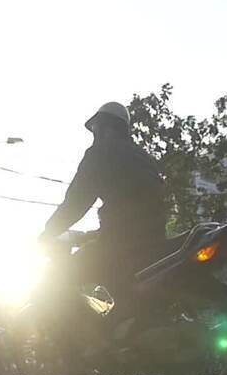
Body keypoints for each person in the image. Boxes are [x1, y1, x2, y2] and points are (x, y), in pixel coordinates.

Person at [39, 101, 166, 325]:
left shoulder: (101, 152)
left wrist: (48, 233)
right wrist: (97, 234)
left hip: (122, 247)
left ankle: (92, 345)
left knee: (63, 277)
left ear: (105, 127)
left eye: (96, 129)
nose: (94, 136)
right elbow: (136, 206)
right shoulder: (142, 156)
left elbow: (76, 202)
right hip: (154, 244)